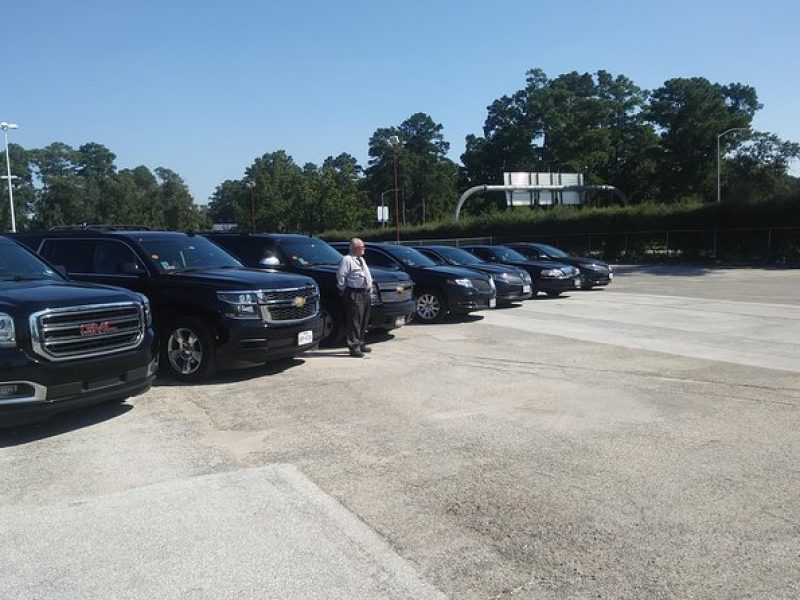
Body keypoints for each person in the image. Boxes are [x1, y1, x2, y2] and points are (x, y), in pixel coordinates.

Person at [336, 237, 373, 357]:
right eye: (362, 247)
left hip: (365, 292)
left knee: (364, 319)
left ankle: (361, 342)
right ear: (356, 248)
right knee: (355, 320)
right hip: (354, 293)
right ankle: (354, 346)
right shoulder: (347, 260)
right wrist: (344, 290)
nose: (364, 249)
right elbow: (341, 276)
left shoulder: (361, 259)